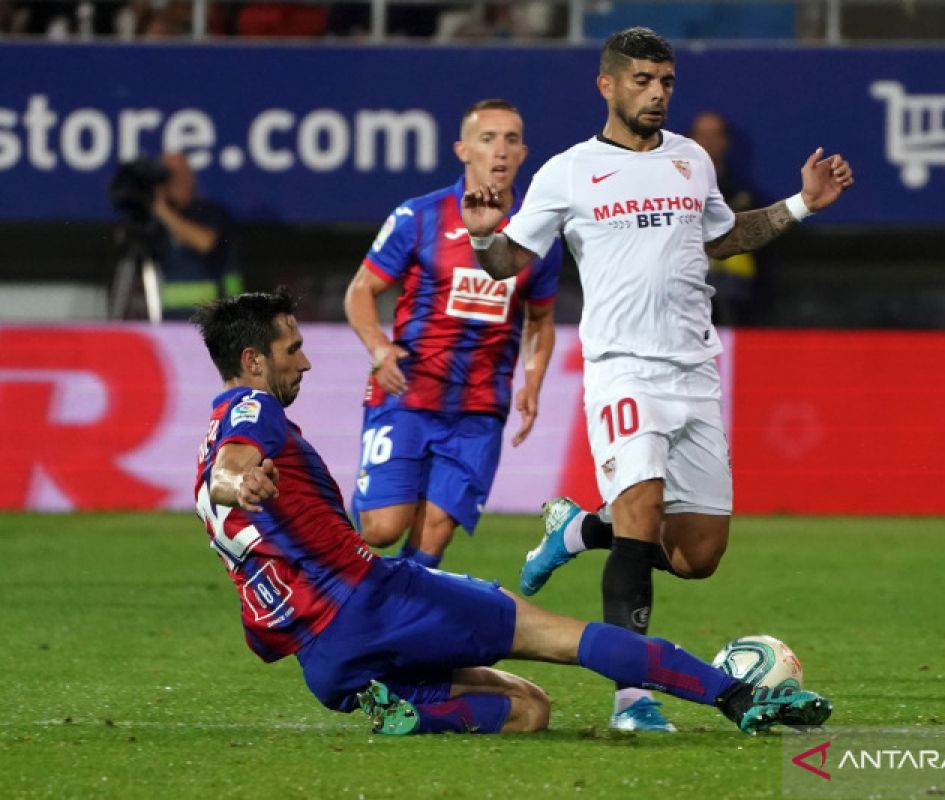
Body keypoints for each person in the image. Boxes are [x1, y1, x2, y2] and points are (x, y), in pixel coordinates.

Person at [190, 288, 833, 736]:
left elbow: (219, 472)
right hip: (372, 600)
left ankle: (410, 714)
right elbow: (233, 465)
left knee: (529, 710)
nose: (304, 358)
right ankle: (736, 695)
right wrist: (241, 482)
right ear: (253, 362)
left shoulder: (205, 444)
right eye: (291, 348)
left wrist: (232, 483)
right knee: (560, 635)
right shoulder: (251, 412)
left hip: (326, 659)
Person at [461, 27, 853, 732]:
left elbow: (724, 236)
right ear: (606, 85)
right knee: (641, 519)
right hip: (622, 369)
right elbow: (504, 263)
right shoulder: (570, 171)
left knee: (697, 555)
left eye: (666, 81)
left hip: (694, 370)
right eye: (642, 80)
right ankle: (630, 699)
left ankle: (578, 529)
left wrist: (799, 205)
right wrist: (486, 235)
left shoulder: (691, 161)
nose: (657, 94)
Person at [343, 99, 562, 569]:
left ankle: (393, 624)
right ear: (463, 150)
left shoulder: (538, 234)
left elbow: (541, 322)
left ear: (524, 153)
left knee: (435, 534)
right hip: (408, 393)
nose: (499, 151)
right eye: (487, 139)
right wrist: (380, 349)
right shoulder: (418, 217)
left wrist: (533, 380)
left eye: (510, 140)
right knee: (381, 529)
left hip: (479, 407)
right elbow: (361, 290)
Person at [689, 110, 760, 326]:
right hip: (682, 291)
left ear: (726, 142)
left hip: (734, 297)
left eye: (714, 135)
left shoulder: (745, 196)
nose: (708, 143)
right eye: (702, 135)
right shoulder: (668, 192)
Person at [150, 153, 240, 319]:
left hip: (216, 319)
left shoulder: (209, 211)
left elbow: (205, 242)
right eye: (170, 175)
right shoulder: (154, 222)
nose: (177, 180)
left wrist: (161, 210)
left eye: (183, 174)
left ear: (193, 177)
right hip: (169, 324)